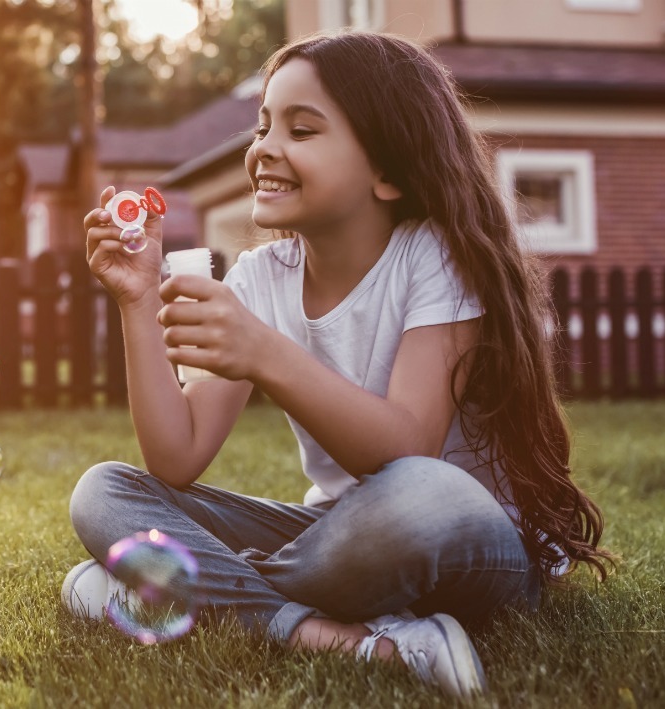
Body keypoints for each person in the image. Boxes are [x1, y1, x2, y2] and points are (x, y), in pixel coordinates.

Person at [64, 30, 614, 698]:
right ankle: (333, 635)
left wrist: (265, 352)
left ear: (387, 170)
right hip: (337, 538)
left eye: (302, 129)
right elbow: (175, 458)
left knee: (419, 493)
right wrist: (136, 299)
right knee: (105, 491)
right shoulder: (259, 279)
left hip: (463, 540)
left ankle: (179, 585)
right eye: (264, 125)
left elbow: (407, 446)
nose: (265, 147)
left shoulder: (433, 255)